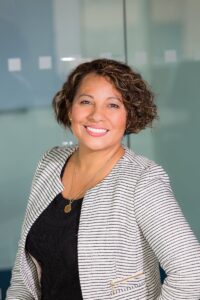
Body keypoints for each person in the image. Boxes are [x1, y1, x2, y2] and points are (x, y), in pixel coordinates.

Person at [6, 58, 200, 300]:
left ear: (130, 116)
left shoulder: (143, 180)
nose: (97, 115)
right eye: (86, 101)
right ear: (70, 108)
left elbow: (191, 274)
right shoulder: (50, 163)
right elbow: (24, 276)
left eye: (113, 105)